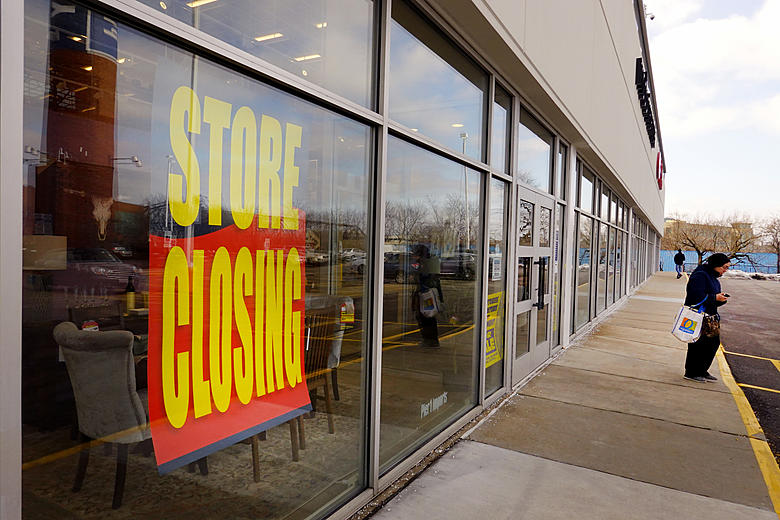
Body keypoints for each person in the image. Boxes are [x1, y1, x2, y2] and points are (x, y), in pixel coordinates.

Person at [683, 253, 730, 382]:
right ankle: (691, 372)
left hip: (710, 317)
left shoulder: (713, 277)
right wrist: (715, 297)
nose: (725, 270)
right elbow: (695, 296)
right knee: (698, 345)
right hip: (698, 316)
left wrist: (721, 299)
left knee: (712, 344)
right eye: (724, 267)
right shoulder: (700, 275)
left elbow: (712, 296)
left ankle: (702, 370)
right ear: (716, 265)